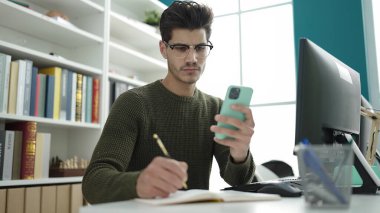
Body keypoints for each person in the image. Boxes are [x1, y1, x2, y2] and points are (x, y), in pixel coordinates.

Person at [82, 1, 255, 204]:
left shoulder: (216, 109)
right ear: (163, 49)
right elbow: (93, 184)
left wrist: (240, 155)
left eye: (200, 47)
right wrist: (138, 182)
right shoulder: (133, 103)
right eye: (181, 48)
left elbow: (240, 184)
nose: (192, 58)